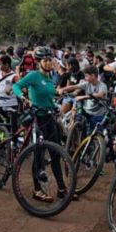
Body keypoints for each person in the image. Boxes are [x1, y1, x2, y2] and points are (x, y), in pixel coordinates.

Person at [12, 46, 70, 203]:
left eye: (50, 60)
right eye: (46, 60)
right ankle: (37, 190)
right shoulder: (34, 75)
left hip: (50, 118)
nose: (49, 62)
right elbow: (16, 86)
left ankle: (62, 189)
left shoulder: (50, 77)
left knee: (55, 154)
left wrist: (57, 95)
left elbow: (49, 94)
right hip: (37, 119)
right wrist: (23, 98)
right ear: (39, 62)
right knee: (38, 155)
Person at [75, 65, 108, 133]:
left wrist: (83, 97)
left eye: (86, 76)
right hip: (87, 112)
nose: (85, 78)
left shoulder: (102, 85)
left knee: (96, 133)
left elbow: (100, 95)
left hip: (98, 115)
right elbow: (73, 86)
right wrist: (62, 89)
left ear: (93, 76)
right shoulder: (87, 83)